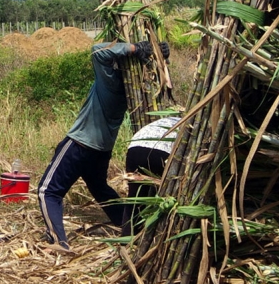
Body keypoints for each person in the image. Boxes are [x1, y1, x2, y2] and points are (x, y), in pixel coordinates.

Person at [37, 39, 169, 254]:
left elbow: (98, 51)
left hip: (79, 143)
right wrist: (155, 54)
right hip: (102, 149)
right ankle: (129, 225)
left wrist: (135, 48)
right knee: (100, 188)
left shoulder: (110, 81)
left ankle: (58, 241)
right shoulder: (133, 91)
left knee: (47, 191)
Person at [123, 112, 181, 234]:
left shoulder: (169, 120)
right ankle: (155, 234)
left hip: (135, 148)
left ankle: (127, 238)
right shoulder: (190, 126)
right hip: (160, 151)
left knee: (135, 197)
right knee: (164, 197)